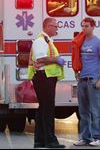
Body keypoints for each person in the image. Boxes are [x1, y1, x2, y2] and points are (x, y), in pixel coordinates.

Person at [28, 17, 66, 148]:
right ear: (48, 26)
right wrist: (56, 60)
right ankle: (50, 140)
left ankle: (40, 140)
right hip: (44, 77)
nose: (57, 29)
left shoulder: (47, 41)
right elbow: (41, 59)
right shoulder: (40, 41)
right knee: (48, 109)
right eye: (55, 26)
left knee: (43, 109)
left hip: (46, 77)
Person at [72, 17, 100, 147]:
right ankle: (85, 137)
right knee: (83, 111)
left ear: (93, 27)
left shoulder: (98, 42)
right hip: (82, 80)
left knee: (96, 111)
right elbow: (77, 57)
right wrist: (76, 71)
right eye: (83, 26)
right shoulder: (80, 41)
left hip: (93, 80)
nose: (84, 28)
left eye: (87, 26)